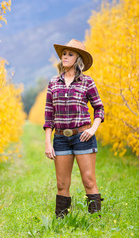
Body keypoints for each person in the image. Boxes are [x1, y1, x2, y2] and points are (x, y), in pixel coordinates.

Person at [43, 39, 105, 218]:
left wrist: (93, 128)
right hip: (61, 138)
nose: (65, 56)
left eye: (70, 54)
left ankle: (95, 221)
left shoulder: (87, 82)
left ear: (78, 59)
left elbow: (99, 107)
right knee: (62, 184)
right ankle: (62, 223)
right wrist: (48, 143)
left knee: (88, 180)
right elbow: (49, 116)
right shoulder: (53, 83)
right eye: (64, 53)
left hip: (82, 136)